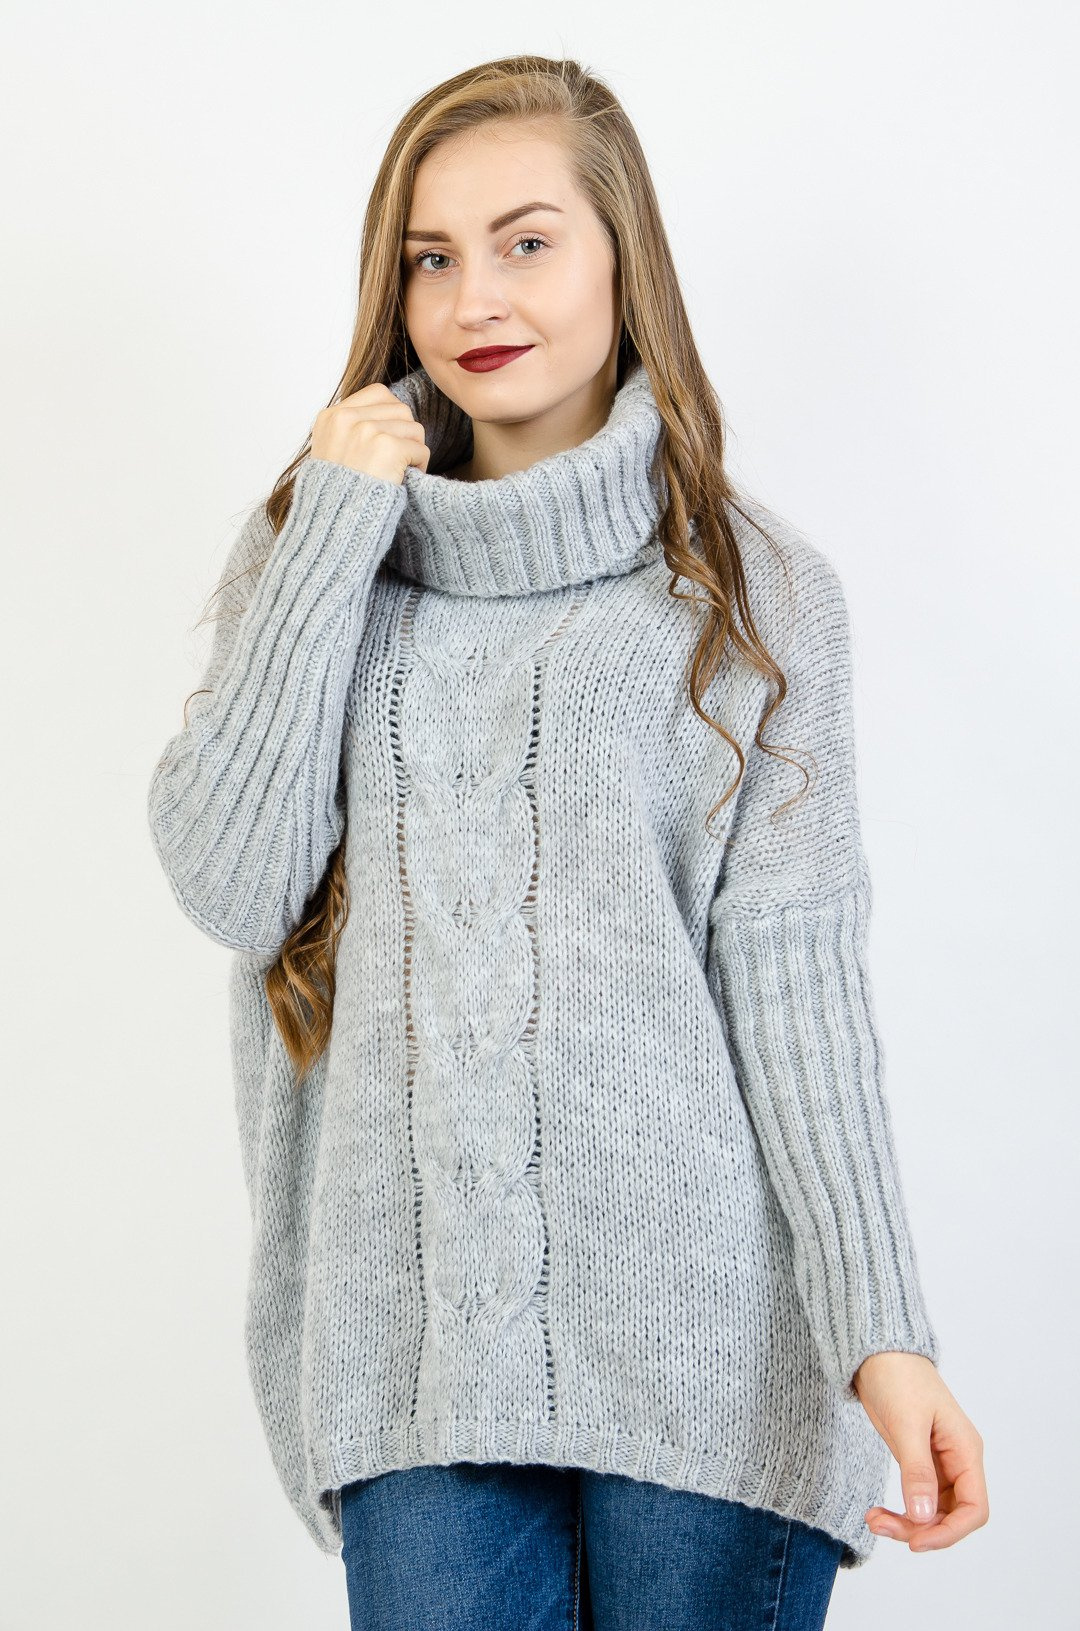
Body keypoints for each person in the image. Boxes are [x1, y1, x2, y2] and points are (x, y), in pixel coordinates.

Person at [147, 53, 988, 1631]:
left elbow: (798, 990)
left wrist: (885, 1337)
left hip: (712, 1347)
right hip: (413, 1353)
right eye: (430, 256)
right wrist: (333, 531)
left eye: (526, 241)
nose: (476, 296)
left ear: (621, 259)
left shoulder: (756, 594)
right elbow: (232, 882)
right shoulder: (317, 557)